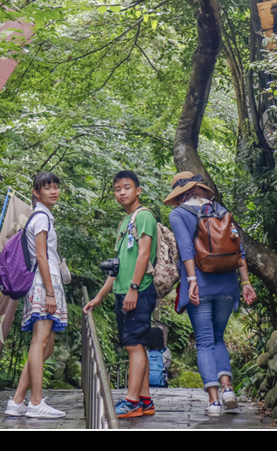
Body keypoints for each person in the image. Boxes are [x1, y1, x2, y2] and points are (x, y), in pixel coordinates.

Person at [165, 171, 256, 417]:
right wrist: (245, 283)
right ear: (201, 189)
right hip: (227, 285)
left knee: (204, 341)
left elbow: (186, 249)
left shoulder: (179, 214)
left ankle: (214, 401)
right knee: (218, 337)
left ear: (180, 194)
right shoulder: (222, 211)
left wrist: (192, 280)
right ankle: (228, 389)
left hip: (201, 286)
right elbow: (240, 251)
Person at [83, 170, 159, 418]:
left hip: (138, 290)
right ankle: (145, 400)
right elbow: (116, 268)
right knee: (137, 346)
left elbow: (144, 254)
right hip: (122, 291)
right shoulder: (123, 223)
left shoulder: (144, 216)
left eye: (127, 187)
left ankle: (132, 401)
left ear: (138, 190)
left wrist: (134, 288)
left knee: (134, 346)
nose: (122, 192)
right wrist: (99, 296)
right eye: (117, 189)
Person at [5, 172, 69, 419]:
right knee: (40, 342)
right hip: (44, 283)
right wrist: (51, 294)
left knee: (47, 345)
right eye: (47, 188)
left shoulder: (43, 217)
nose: (53, 191)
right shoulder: (41, 218)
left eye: (56, 187)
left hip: (46, 282)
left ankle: (18, 400)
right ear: (36, 192)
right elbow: (41, 256)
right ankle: (35, 402)